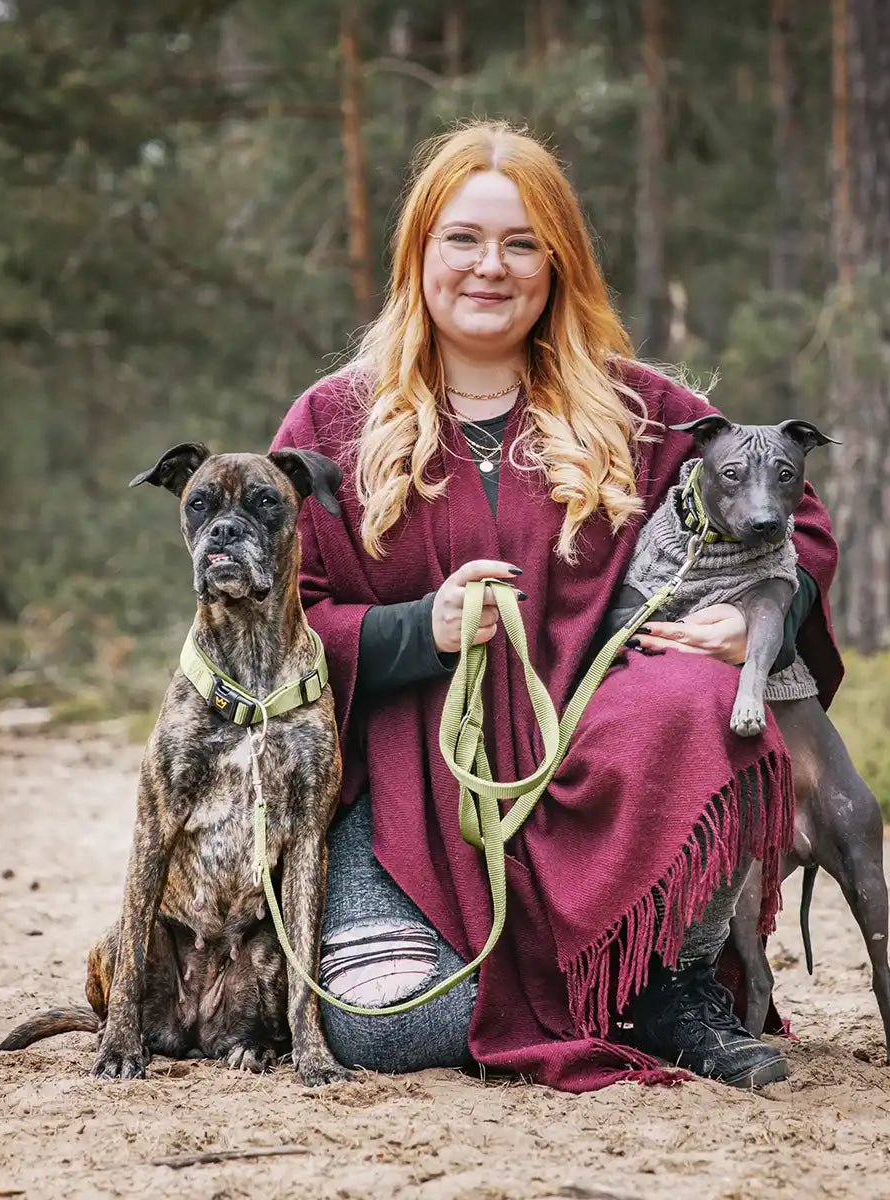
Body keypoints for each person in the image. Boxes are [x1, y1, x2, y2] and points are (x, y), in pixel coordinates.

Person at [271, 120, 842, 1094]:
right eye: (463, 238)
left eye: (521, 242)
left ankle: (668, 976)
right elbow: (284, 622)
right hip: (413, 801)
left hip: (603, 773)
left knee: (704, 698)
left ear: (558, 262)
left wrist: (757, 620)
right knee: (402, 1030)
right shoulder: (334, 420)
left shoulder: (639, 410)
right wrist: (417, 631)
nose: (490, 267)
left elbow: (797, 518)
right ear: (420, 253)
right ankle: (588, 989)